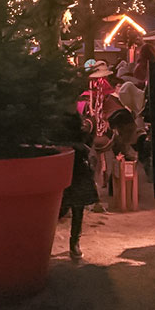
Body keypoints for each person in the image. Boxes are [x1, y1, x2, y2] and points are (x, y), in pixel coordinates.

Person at [55, 110, 99, 260]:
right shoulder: (69, 120)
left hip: (71, 171)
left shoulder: (72, 120)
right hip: (71, 170)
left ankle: (74, 243)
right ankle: (74, 244)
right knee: (70, 209)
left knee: (71, 208)